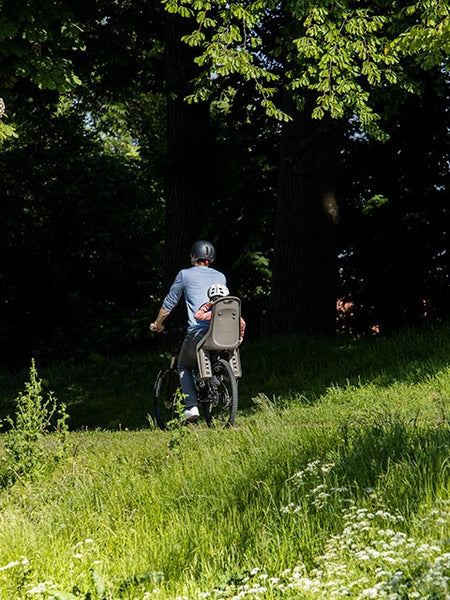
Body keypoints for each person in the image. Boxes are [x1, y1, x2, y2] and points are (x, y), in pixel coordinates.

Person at [150, 240, 226, 422]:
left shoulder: (185, 275)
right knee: (208, 354)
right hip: (220, 331)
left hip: (198, 331)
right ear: (211, 259)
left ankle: (191, 407)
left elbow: (169, 303)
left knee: (183, 365)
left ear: (193, 257)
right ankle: (214, 379)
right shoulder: (221, 277)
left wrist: (158, 324)